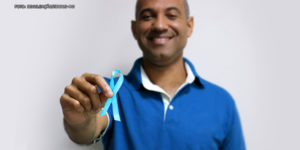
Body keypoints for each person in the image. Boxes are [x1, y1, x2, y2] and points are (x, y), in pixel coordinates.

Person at [60, 0, 246, 149]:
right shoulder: (109, 91)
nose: (159, 25)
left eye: (171, 15)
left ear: (189, 26)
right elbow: (87, 130)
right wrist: (80, 121)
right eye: (148, 16)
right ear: (134, 28)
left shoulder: (222, 101)